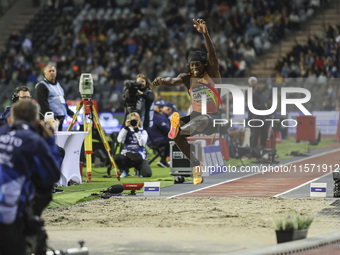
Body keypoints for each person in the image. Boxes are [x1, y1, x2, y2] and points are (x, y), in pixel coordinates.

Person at [153, 19, 221, 185]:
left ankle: (179, 128)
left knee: (199, 120)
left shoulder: (211, 73)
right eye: (192, 65)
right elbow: (173, 80)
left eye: (197, 64)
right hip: (195, 114)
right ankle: (196, 165)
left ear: (204, 65)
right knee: (176, 136)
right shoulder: (187, 77)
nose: (195, 68)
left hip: (212, 117)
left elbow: (212, 54)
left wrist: (205, 34)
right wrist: (162, 80)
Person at [0, 100, 61, 255]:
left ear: (9, 119)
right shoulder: (33, 141)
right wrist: (50, 141)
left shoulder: (2, 132)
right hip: (7, 216)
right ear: (36, 122)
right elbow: (53, 175)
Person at [108, 112, 152, 178]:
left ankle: (139, 170)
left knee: (147, 174)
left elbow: (142, 144)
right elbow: (119, 140)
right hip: (127, 156)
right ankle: (124, 170)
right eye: (132, 120)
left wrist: (136, 130)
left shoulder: (143, 131)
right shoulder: (126, 130)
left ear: (139, 121)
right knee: (116, 157)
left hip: (138, 157)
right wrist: (125, 128)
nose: (134, 122)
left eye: (136, 120)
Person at [35, 64, 74, 131]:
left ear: (56, 73)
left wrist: (71, 114)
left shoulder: (59, 85)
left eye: (53, 71)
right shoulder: (41, 86)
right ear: (45, 74)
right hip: (49, 120)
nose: (52, 72)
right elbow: (43, 104)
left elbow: (63, 102)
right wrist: (53, 119)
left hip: (60, 120)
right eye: (49, 71)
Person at [147, 100, 171, 168]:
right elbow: (166, 129)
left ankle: (164, 160)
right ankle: (165, 160)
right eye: (159, 107)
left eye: (162, 107)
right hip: (155, 141)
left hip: (156, 139)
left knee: (171, 140)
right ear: (154, 107)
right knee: (172, 140)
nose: (161, 109)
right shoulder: (156, 116)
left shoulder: (159, 115)